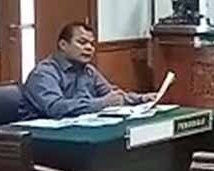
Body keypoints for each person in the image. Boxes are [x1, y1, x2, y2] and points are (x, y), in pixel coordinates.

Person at [19, 22, 156, 120]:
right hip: (43, 137)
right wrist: (102, 103)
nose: (89, 48)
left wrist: (142, 99)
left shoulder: (88, 70)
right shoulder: (44, 73)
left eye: (91, 44)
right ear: (63, 45)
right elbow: (55, 108)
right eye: (82, 42)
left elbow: (112, 95)